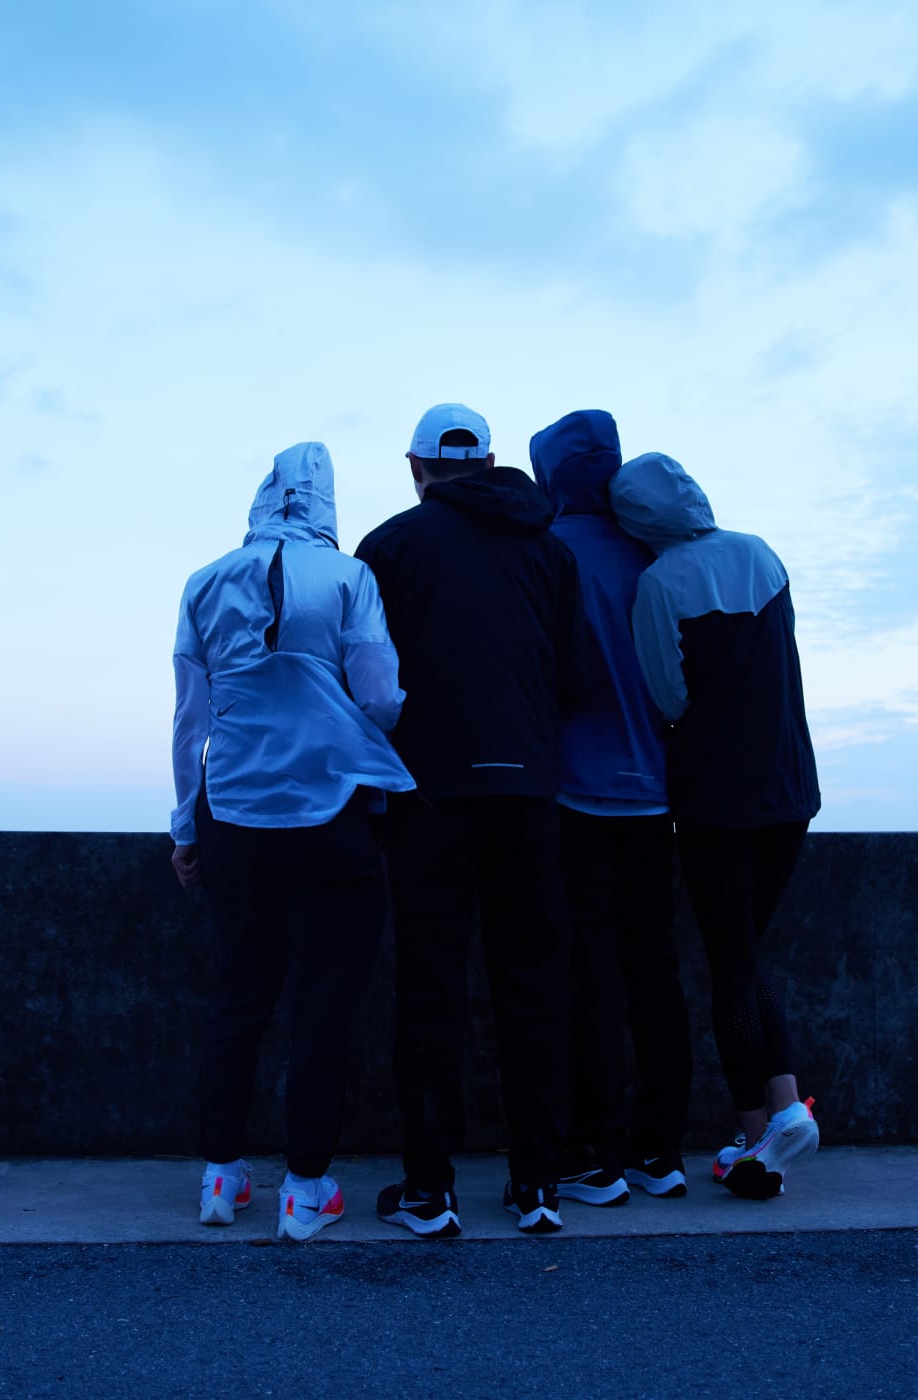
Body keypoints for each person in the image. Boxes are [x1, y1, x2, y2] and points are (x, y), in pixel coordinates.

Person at [169, 440, 415, 1242]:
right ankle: (305, 1188)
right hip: (330, 810)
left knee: (238, 997)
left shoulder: (204, 582)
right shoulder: (349, 578)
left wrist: (185, 826)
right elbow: (379, 698)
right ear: (327, 502)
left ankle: (220, 1175)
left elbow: (190, 721)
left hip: (233, 810)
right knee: (321, 1004)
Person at [355, 403, 583, 1236]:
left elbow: (365, 683)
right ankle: (538, 1183)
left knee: (430, 986)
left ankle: (429, 1189)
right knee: (534, 985)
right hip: (528, 793)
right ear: (488, 463)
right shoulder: (549, 549)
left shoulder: (390, 547)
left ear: (416, 468)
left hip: (428, 796)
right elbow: (576, 677)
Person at [609, 451, 823, 1201]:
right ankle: (783, 1110)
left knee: (730, 962)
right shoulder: (761, 553)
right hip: (790, 786)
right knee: (747, 953)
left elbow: (668, 694)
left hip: (715, 797)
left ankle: (761, 1128)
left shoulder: (660, 582)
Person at [528, 410, 690, 1206]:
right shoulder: (653, 554)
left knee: (587, 973)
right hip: (655, 792)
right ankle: (661, 1150)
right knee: (654, 969)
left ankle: (596, 1150)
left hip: (574, 792)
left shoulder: (547, 553)